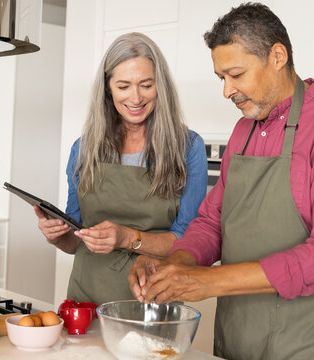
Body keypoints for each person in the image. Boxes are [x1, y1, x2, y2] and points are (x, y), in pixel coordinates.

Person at [129, 3, 314, 360]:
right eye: (221, 78)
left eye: (236, 74)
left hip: (311, 335)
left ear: (277, 56)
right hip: (241, 329)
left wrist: (210, 281)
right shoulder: (244, 130)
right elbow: (213, 221)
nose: (227, 90)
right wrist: (178, 265)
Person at [35, 32, 208, 305]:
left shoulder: (187, 147)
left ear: (160, 86)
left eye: (146, 85)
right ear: (108, 88)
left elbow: (188, 243)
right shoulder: (83, 150)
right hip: (86, 301)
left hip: (152, 300)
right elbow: (75, 243)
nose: (136, 98)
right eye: (124, 86)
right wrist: (57, 236)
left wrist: (126, 237)